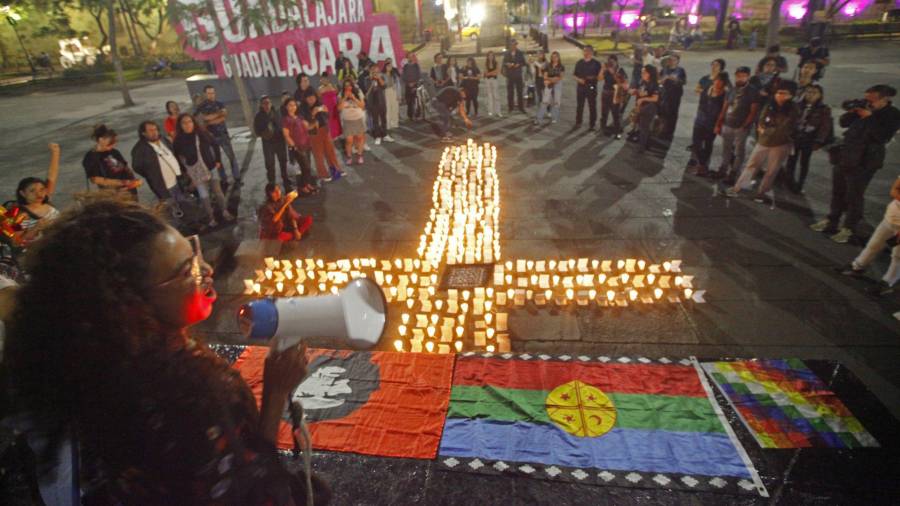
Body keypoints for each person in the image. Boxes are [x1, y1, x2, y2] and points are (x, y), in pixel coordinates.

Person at [2, 198, 330, 505]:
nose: (207, 271)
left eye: (195, 253)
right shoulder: (179, 400)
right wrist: (275, 393)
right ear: (131, 304)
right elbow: (251, 495)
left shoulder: (106, 360)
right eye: (186, 270)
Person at [811, 85, 900, 243]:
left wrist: (869, 117)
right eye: (866, 99)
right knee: (838, 191)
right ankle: (831, 221)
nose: (868, 103)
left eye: (871, 100)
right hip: (845, 155)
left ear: (884, 99)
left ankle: (849, 228)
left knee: (854, 196)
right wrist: (853, 112)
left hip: (865, 161)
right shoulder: (862, 108)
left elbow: (882, 136)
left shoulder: (892, 114)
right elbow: (844, 123)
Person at [726, 80, 799, 203]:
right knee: (751, 165)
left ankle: (762, 193)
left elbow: (784, 128)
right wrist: (763, 128)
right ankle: (738, 188)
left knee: (772, 169)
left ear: (791, 95)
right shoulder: (770, 105)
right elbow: (761, 120)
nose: (780, 96)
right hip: (763, 141)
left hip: (780, 144)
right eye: (778, 93)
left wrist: (766, 130)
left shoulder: (793, 109)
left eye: (784, 93)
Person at [836, 177, 900, 296]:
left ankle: (887, 283)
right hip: (890, 217)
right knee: (874, 244)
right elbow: (894, 189)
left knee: (897, 256)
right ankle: (858, 266)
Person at [173, 114, 234, 227]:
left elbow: (215, 144)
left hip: (211, 168)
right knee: (204, 196)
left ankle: (225, 211)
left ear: (193, 122)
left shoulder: (201, 133)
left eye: (189, 121)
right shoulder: (178, 141)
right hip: (196, 173)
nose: (187, 125)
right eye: (184, 123)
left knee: (218, 192)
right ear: (180, 125)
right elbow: (177, 157)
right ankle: (211, 218)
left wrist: (217, 160)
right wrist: (185, 171)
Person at [132, 121, 188, 219]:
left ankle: (189, 224)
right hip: (163, 186)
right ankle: (178, 228)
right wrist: (152, 175)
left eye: (155, 129)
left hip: (176, 181)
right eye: (150, 130)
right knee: (172, 210)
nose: (154, 132)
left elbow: (173, 153)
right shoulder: (140, 149)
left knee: (183, 204)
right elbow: (137, 167)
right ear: (143, 133)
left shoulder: (163, 140)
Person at [784, 84, 832, 194]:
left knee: (804, 162)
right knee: (791, 161)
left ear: (820, 95)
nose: (810, 95)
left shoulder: (824, 109)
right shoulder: (797, 105)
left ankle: (800, 184)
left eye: (814, 92)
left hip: (809, 139)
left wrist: (819, 141)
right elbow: (790, 120)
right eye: (808, 92)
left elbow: (825, 126)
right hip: (795, 138)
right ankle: (789, 182)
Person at [714, 66, 759, 182]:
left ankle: (734, 173)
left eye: (743, 76)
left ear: (748, 77)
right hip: (728, 124)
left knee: (739, 151)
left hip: (741, 126)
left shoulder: (752, 91)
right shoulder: (732, 89)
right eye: (738, 76)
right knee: (726, 148)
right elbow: (725, 107)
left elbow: (753, 111)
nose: (740, 78)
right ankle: (723, 169)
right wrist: (719, 123)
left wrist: (745, 125)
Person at [13, 143, 60, 247]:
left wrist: (56, 153)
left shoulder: (45, 200)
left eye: (42, 189)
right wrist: (36, 228)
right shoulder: (20, 215)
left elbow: (52, 175)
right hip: (38, 254)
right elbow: (16, 242)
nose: (39, 194)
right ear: (22, 193)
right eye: (32, 191)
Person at [195, 85, 240, 185]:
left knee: (231, 156)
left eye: (213, 93)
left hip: (223, 135)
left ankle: (237, 177)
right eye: (209, 93)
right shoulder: (201, 107)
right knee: (217, 160)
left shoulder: (219, 103)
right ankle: (223, 179)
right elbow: (201, 120)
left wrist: (209, 120)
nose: (211, 95)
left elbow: (223, 116)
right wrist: (216, 115)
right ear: (205, 94)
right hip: (211, 138)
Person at [82, 124, 141, 199]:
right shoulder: (91, 157)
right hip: (113, 195)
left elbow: (125, 167)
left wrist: (133, 181)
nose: (113, 145)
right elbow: (96, 179)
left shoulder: (114, 152)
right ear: (100, 139)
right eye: (110, 143)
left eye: (114, 142)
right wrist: (122, 183)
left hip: (129, 190)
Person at [688, 72, 730, 176]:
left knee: (708, 144)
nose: (717, 82)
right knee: (696, 143)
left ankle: (702, 166)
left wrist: (718, 125)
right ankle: (702, 164)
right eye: (716, 80)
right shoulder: (707, 88)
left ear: (724, 83)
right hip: (700, 120)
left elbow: (723, 112)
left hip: (712, 122)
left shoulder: (725, 94)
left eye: (720, 81)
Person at [299, 90, 344, 180]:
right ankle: (323, 174)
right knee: (318, 154)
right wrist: (312, 114)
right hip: (314, 132)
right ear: (305, 99)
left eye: (313, 96)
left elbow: (327, 117)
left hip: (325, 130)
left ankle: (336, 170)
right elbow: (304, 123)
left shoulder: (320, 104)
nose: (311, 99)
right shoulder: (303, 109)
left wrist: (326, 111)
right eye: (309, 97)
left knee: (330, 151)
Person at [281, 98, 318, 195]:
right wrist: (294, 146)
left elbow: (308, 127)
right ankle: (302, 187)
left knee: (307, 167)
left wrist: (314, 118)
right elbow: (286, 135)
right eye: (290, 105)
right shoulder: (286, 120)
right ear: (286, 107)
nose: (292, 107)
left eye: (294, 105)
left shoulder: (299, 117)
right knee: (305, 167)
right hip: (297, 147)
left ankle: (307, 184)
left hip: (306, 145)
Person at [254, 96, 291, 190]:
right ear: (261, 105)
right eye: (264, 103)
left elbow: (282, 124)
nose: (267, 105)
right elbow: (257, 131)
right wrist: (264, 133)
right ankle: (272, 183)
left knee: (283, 161)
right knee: (270, 164)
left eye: (268, 102)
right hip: (268, 144)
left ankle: (285, 179)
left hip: (279, 141)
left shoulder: (277, 113)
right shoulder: (258, 116)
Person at [627, 65, 660, 153]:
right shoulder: (642, 81)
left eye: (644, 72)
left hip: (649, 107)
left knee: (644, 128)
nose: (642, 73)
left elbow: (655, 98)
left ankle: (641, 148)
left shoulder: (654, 84)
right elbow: (641, 92)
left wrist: (643, 99)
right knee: (643, 127)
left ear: (650, 73)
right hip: (641, 107)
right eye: (642, 72)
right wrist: (634, 92)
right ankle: (646, 145)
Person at [338, 79, 368, 165]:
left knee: (360, 138)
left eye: (350, 85)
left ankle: (360, 155)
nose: (348, 87)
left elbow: (362, 106)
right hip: (347, 120)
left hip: (358, 119)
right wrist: (344, 98)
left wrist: (353, 98)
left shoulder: (358, 92)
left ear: (353, 86)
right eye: (346, 86)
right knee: (349, 140)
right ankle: (349, 157)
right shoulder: (341, 94)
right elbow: (339, 108)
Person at [658, 54, 687, 140]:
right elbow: (659, 81)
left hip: (675, 95)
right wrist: (663, 80)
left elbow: (684, 82)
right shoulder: (664, 69)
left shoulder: (681, 70)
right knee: (663, 112)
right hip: (665, 93)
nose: (671, 61)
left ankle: (669, 133)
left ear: (677, 61)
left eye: (674, 60)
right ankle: (661, 131)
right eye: (670, 59)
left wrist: (674, 79)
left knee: (673, 114)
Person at [599, 55, 628, 137]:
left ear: (616, 62)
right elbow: (600, 78)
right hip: (605, 93)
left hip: (615, 94)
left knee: (616, 114)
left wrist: (614, 74)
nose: (610, 64)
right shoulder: (606, 69)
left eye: (612, 62)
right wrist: (602, 69)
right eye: (609, 62)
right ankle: (603, 129)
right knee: (604, 113)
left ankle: (617, 132)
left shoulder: (620, 70)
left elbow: (624, 84)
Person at [573, 46, 601, 130]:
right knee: (580, 106)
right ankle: (578, 122)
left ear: (592, 52)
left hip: (591, 87)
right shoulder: (579, 63)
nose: (586, 53)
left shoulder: (596, 63)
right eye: (584, 51)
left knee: (592, 106)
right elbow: (574, 75)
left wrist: (593, 78)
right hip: (581, 87)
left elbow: (600, 76)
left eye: (588, 51)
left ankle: (592, 124)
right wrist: (578, 79)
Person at [535, 51, 564, 126]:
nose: (554, 58)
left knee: (556, 101)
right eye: (553, 57)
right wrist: (552, 79)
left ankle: (554, 117)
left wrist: (553, 79)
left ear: (558, 58)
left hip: (558, 84)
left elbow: (561, 77)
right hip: (548, 83)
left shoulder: (561, 66)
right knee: (545, 101)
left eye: (556, 57)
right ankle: (539, 118)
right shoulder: (548, 66)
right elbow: (544, 76)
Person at [364, 63, 389, 145]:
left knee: (383, 119)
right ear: (371, 71)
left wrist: (378, 79)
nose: (376, 72)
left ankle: (385, 135)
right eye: (374, 71)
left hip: (381, 102)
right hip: (373, 103)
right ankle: (377, 136)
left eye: (377, 71)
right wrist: (372, 81)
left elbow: (384, 86)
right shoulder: (367, 79)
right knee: (375, 121)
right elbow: (367, 91)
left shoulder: (380, 77)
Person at [502, 39, 527, 114]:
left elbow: (524, 62)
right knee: (510, 92)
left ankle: (521, 107)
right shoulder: (507, 53)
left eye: (514, 45)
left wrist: (519, 64)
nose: (513, 46)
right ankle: (510, 107)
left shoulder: (520, 53)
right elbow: (504, 62)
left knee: (520, 92)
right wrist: (507, 64)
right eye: (512, 45)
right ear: (510, 45)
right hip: (510, 75)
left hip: (518, 74)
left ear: (516, 45)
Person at [318, 73, 343, 139]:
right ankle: (332, 138)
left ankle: (338, 137)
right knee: (330, 124)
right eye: (323, 79)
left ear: (328, 79)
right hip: (327, 110)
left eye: (326, 78)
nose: (324, 80)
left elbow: (338, 96)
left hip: (335, 108)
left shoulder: (333, 86)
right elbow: (318, 100)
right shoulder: (320, 89)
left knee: (337, 122)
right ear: (321, 80)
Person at [402, 53, 421, 120]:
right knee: (409, 101)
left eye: (411, 57)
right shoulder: (405, 66)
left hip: (415, 85)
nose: (410, 58)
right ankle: (410, 116)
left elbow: (419, 76)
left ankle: (417, 115)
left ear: (413, 57)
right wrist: (408, 83)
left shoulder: (416, 66)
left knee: (416, 100)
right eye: (409, 57)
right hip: (408, 86)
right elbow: (403, 76)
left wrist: (414, 83)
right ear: (407, 58)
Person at [383, 60, 401, 131]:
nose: (389, 68)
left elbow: (398, 85)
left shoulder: (394, 75)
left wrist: (399, 95)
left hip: (394, 91)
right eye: (388, 66)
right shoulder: (382, 75)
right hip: (386, 92)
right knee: (387, 108)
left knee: (395, 107)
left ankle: (395, 123)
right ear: (385, 67)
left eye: (391, 66)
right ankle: (388, 124)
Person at [484, 51, 502, 117]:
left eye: (492, 55)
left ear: (493, 56)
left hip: (495, 80)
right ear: (488, 56)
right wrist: (493, 72)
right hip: (488, 81)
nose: (490, 57)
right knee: (489, 95)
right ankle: (490, 111)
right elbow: (485, 73)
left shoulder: (496, 62)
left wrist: (489, 73)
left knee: (496, 96)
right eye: (489, 55)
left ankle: (498, 111)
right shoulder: (486, 63)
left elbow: (498, 71)